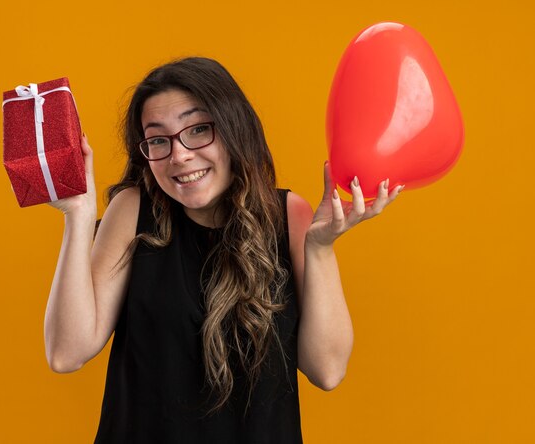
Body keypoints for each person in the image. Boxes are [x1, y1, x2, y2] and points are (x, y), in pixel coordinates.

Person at [44, 57, 403, 443]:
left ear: (234, 130)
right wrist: (78, 217)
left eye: (198, 130)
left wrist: (319, 248)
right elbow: (67, 353)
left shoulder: (289, 215)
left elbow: (327, 371)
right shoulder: (133, 210)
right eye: (159, 139)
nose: (179, 155)